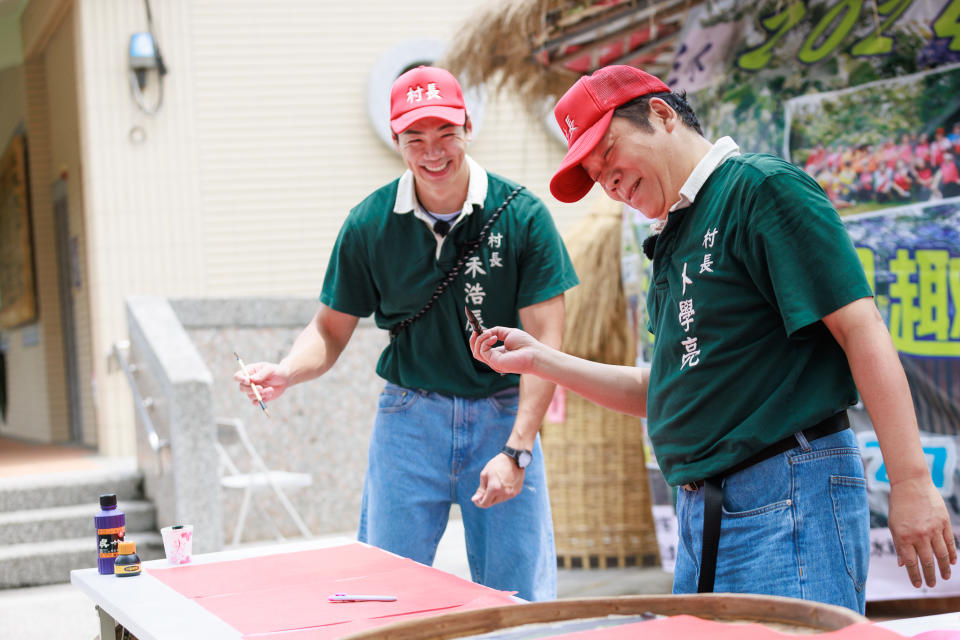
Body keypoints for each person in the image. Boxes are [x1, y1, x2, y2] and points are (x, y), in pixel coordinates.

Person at [469, 65, 955, 613]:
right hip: (704, 513)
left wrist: (911, 479)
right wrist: (545, 361)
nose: (607, 181)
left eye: (608, 153)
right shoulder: (674, 237)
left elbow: (859, 326)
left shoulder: (759, 188)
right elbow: (668, 388)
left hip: (789, 492)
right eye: (593, 174)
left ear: (661, 114)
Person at [236, 66, 578, 601]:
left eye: (445, 133)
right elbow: (329, 329)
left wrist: (518, 451)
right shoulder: (368, 223)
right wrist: (286, 370)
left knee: (518, 597)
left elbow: (546, 347)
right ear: (397, 140)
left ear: (467, 125)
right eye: (415, 138)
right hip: (409, 419)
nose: (432, 151)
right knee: (382, 590)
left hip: (501, 414)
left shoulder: (523, 217)